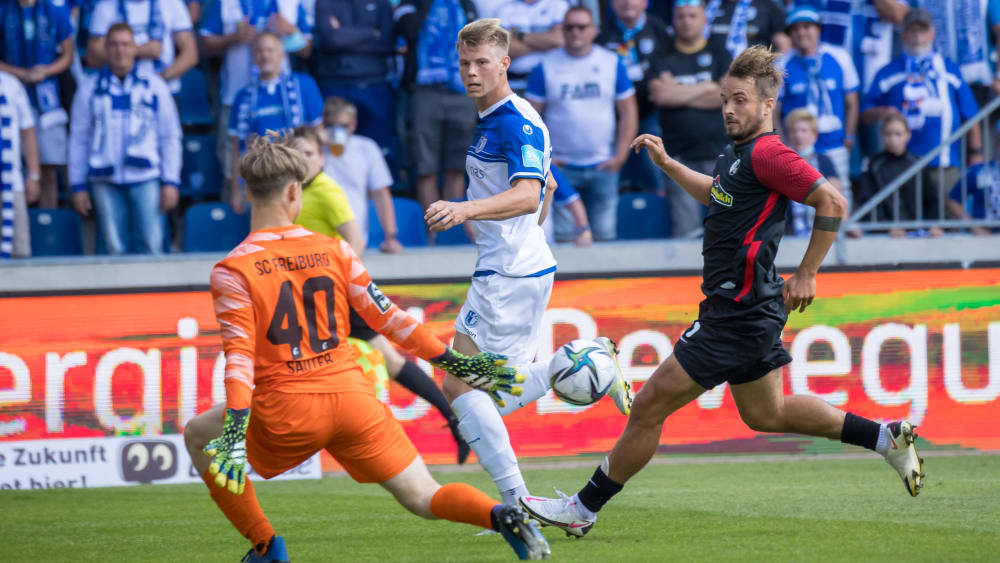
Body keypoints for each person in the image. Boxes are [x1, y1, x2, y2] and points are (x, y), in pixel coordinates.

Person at [519, 45, 925, 537]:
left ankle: (582, 510)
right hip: (746, 308)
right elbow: (719, 195)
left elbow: (831, 200)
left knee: (648, 406)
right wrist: (669, 163)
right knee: (765, 412)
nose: (730, 109)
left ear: (766, 106)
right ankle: (885, 438)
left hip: (735, 314)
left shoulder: (771, 152)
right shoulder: (739, 155)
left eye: (740, 100)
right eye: (725, 99)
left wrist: (809, 272)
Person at [181, 131, 550, 562]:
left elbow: (240, 360)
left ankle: (264, 545)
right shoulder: (335, 250)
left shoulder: (232, 270)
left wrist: (231, 432)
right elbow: (392, 321)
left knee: (196, 435)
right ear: (294, 192)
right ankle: (500, 515)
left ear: (248, 193)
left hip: (287, 411)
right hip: (353, 401)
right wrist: (460, 364)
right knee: (423, 495)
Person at [423, 18, 632, 507]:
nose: (471, 72)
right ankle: (586, 361)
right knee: (476, 390)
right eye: (464, 64)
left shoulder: (513, 119)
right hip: (513, 265)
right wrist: (528, 217)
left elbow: (528, 192)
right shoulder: (501, 117)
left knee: (465, 391)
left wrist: (465, 208)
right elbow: (547, 188)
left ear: (504, 64)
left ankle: (519, 504)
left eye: (481, 63)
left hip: (509, 273)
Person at [290, 124, 473, 464]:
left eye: (310, 153)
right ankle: (453, 419)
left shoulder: (327, 191)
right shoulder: (293, 192)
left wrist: (328, 278)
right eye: (297, 153)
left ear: (321, 157)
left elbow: (355, 241)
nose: (304, 159)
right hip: (309, 295)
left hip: (333, 295)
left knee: (386, 361)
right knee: (385, 362)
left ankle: (452, 419)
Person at [525, 6, 638, 241]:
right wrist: (546, 159)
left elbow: (628, 112)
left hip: (604, 165)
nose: (575, 32)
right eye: (569, 27)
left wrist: (620, 156)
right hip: (561, 168)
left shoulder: (611, 62)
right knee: (566, 238)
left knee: (605, 237)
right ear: (562, 30)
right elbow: (529, 120)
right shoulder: (545, 66)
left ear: (594, 30)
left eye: (582, 27)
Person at [69, 22, 181, 255]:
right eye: (114, 45)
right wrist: (77, 184)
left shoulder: (154, 86)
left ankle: (155, 293)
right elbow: (79, 139)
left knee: (152, 244)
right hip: (104, 179)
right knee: (113, 248)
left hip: (146, 176)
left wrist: (171, 180)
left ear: (134, 48)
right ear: (106, 50)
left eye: (126, 44)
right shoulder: (89, 89)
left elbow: (170, 137)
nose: (120, 50)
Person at [861, 7, 983, 197]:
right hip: (901, 164)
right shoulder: (888, 71)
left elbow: (971, 116)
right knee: (905, 218)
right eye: (912, 30)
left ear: (933, 34)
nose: (917, 36)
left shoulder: (949, 70)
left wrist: (976, 152)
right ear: (903, 34)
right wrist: (883, 112)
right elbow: (866, 113)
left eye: (922, 30)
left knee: (948, 218)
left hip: (944, 162)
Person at [200, 0, 305, 204]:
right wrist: (233, 38)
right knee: (234, 165)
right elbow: (203, 44)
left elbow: (308, 48)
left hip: (281, 95)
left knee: (289, 163)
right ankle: (236, 217)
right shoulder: (226, 3)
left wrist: (291, 30)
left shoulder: (291, 3)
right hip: (236, 96)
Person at [647, 0, 730, 238]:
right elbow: (661, 95)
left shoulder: (719, 50)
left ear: (704, 19)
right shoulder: (661, 52)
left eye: (692, 16)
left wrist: (680, 91)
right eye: (681, 16)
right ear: (674, 20)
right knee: (687, 232)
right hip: (678, 157)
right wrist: (707, 87)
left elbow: (728, 94)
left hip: (719, 155)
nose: (686, 21)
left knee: (727, 227)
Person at [396, 0, 481, 211]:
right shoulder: (411, 3)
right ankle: (433, 231)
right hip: (425, 92)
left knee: (456, 168)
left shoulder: (465, 3)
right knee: (426, 168)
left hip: (462, 90)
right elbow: (407, 29)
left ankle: (449, 231)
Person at [228, 31, 323, 213]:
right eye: (259, 51)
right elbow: (236, 148)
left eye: (270, 50)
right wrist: (236, 190)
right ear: (253, 57)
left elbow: (318, 134)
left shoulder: (304, 85)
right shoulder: (243, 96)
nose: (265, 56)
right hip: (261, 181)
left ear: (282, 54)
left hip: (301, 178)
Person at [775, 6, 857, 200]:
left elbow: (852, 102)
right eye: (795, 29)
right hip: (799, 147)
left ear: (818, 29)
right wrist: (783, 144)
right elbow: (773, 111)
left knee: (839, 197)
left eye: (807, 27)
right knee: (802, 199)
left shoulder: (840, 57)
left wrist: (850, 136)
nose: (802, 32)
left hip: (834, 143)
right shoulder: (781, 65)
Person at [0, 0, 75, 209]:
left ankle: (47, 222)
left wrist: (45, 71)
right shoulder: (3, 10)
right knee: (12, 165)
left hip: (48, 100)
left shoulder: (54, 10)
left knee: (48, 169)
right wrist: (20, 75)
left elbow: (69, 54)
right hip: (11, 95)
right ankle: (19, 221)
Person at [597, 0, 672, 195]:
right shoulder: (603, 32)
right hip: (613, 114)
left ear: (646, 3)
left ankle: (657, 210)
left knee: (654, 166)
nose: (628, 2)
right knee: (613, 168)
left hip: (651, 109)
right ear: (612, 4)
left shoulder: (659, 29)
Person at [312, 0, 397, 169]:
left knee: (380, 154)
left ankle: (378, 195)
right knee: (336, 153)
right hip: (335, 85)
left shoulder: (381, 3)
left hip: (375, 85)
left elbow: (387, 41)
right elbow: (331, 39)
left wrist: (343, 35)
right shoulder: (324, 2)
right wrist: (372, 32)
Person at [321, 97, 402, 253]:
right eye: (330, 125)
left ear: (354, 125)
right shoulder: (312, 149)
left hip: (354, 241)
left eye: (343, 126)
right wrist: (316, 142)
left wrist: (390, 237)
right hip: (317, 240)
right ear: (322, 125)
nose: (337, 131)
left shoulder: (367, 147)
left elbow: (381, 194)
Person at [857, 111, 944, 238]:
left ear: (907, 135)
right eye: (889, 134)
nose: (893, 139)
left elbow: (931, 200)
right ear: (882, 135)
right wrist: (885, 227)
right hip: (883, 234)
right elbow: (866, 200)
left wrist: (933, 225)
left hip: (916, 232)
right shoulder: (872, 164)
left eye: (898, 134)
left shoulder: (918, 164)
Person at [87, 0, 198, 94]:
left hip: (165, 91)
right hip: (117, 92)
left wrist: (160, 79)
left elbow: (191, 53)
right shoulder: (106, 6)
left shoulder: (172, 3)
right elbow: (93, 58)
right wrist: (136, 51)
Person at [782, 108, 842, 237]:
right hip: (788, 234)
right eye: (794, 131)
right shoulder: (781, 164)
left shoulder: (825, 161)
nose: (798, 136)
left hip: (820, 232)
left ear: (814, 135)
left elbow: (836, 198)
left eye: (803, 131)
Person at [0, 70, 41, 258]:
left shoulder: (10, 85)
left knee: (19, 252)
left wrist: (33, 175)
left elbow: (27, 131)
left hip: (10, 183)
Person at [493, 0, 569, 92]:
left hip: (552, 82)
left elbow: (558, 40)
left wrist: (519, 35)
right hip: (515, 83)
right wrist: (545, 43)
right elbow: (504, 49)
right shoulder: (504, 10)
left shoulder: (559, 5)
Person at [703, 0, 788, 60]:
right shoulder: (707, 5)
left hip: (754, 74)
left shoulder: (767, 6)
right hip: (710, 72)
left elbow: (784, 46)